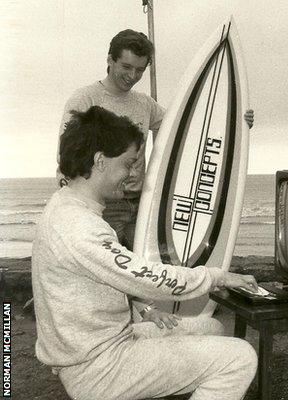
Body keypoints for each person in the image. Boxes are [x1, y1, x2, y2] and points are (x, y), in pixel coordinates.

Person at [33, 106, 258, 400]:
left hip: (96, 346)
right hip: (97, 367)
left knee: (210, 327)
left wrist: (142, 308)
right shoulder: (79, 226)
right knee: (240, 357)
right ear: (100, 162)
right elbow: (150, 277)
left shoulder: (66, 205)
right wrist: (218, 277)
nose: (132, 173)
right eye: (127, 163)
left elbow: (98, 282)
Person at [57, 29, 254, 328]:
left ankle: (145, 327)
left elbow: (186, 128)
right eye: (126, 67)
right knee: (104, 273)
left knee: (146, 269)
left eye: (139, 69)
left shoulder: (144, 103)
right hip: (104, 202)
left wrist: (238, 121)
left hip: (142, 201)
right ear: (109, 61)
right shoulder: (85, 98)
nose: (132, 76)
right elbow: (67, 152)